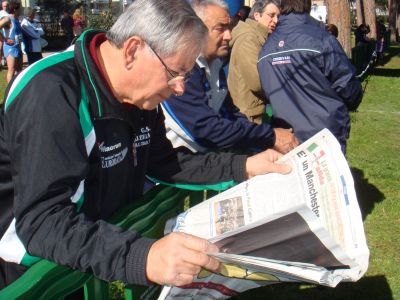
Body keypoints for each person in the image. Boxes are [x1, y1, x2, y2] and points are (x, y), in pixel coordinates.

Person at [0, 0, 292, 290]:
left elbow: (165, 163)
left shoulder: (140, 97)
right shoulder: (50, 93)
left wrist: (242, 165)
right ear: (132, 50)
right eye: (174, 73)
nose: (179, 88)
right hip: (24, 274)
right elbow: (41, 222)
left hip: (77, 259)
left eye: (186, 75)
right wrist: (143, 257)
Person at [162, 0, 298, 155]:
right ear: (195, 29)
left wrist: (267, 139)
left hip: (210, 157)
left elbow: (230, 114)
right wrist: (270, 137)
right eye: (221, 28)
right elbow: (206, 130)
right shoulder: (182, 69)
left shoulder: (215, 64)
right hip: (181, 163)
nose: (228, 35)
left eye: (229, 27)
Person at [258, 0, 363, 153]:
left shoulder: (266, 48)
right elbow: (348, 87)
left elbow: (346, 85)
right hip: (316, 135)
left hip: (291, 136)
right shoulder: (321, 39)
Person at [228, 0, 280, 124]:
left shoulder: (259, 37)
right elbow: (257, 81)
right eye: (271, 15)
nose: (276, 20)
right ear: (257, 15)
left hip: (252, 112)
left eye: (278, 16)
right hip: (248, 115)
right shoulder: (249, 39)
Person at [0, 1, 22, 83]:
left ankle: (17, 88)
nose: (21, 11)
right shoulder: (7, 18)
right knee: (11, 70)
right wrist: (4, 39)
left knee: (19, 70)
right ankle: (9, 91)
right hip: (10, 47)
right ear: (15, 10)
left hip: (17, 47)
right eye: (20, 9)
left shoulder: (16, 19)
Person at [0, 1, 9, 68]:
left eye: (6, 6)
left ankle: (3, 61)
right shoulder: (2, 13)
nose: (5, 7)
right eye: (4, 6)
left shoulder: (7, 13)